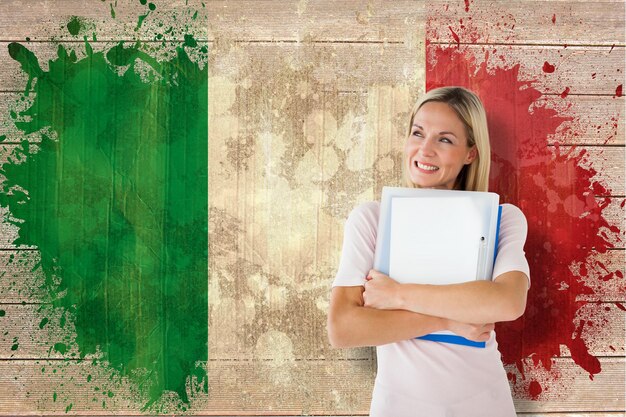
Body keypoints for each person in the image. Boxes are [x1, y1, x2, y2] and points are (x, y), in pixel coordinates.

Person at [327, 86, 530, 417]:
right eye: (418, 133)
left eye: (445, 139)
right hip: (399, 405)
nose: (425, 149)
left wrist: (396, 295)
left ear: (470, 153)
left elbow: (507, 301)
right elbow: (343, 328)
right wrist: (448, 318)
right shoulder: (372, 220)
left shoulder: (502, 218)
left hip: (481, 403)